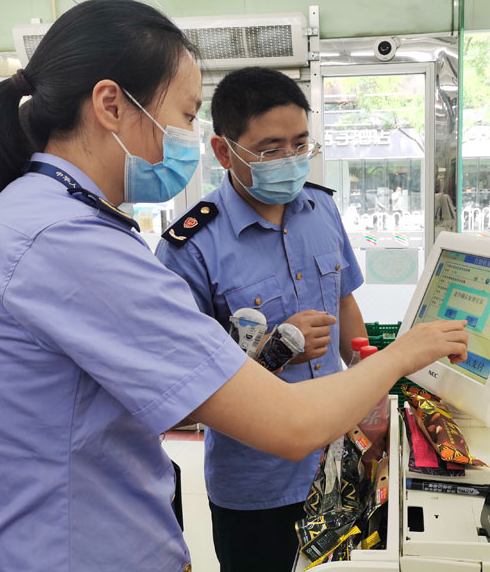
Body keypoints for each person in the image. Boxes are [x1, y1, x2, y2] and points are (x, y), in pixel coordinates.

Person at [0, 0, 468, 572]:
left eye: (300, 145)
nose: (186, 137)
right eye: (187, 115)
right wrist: (405, 355)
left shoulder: (38, 215)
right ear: (111, 105)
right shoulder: (70, 241)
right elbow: (289, 424)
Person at [155, 67, 368, 572]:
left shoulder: (322, 210)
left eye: (300, 145)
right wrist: (273, 349)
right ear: (225, 152)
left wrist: (370, 390)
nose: (290, 161)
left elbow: (344, 303)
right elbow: (184, 386)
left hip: (337, 463)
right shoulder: (190, 247)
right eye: (271, 150)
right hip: (257, 484)